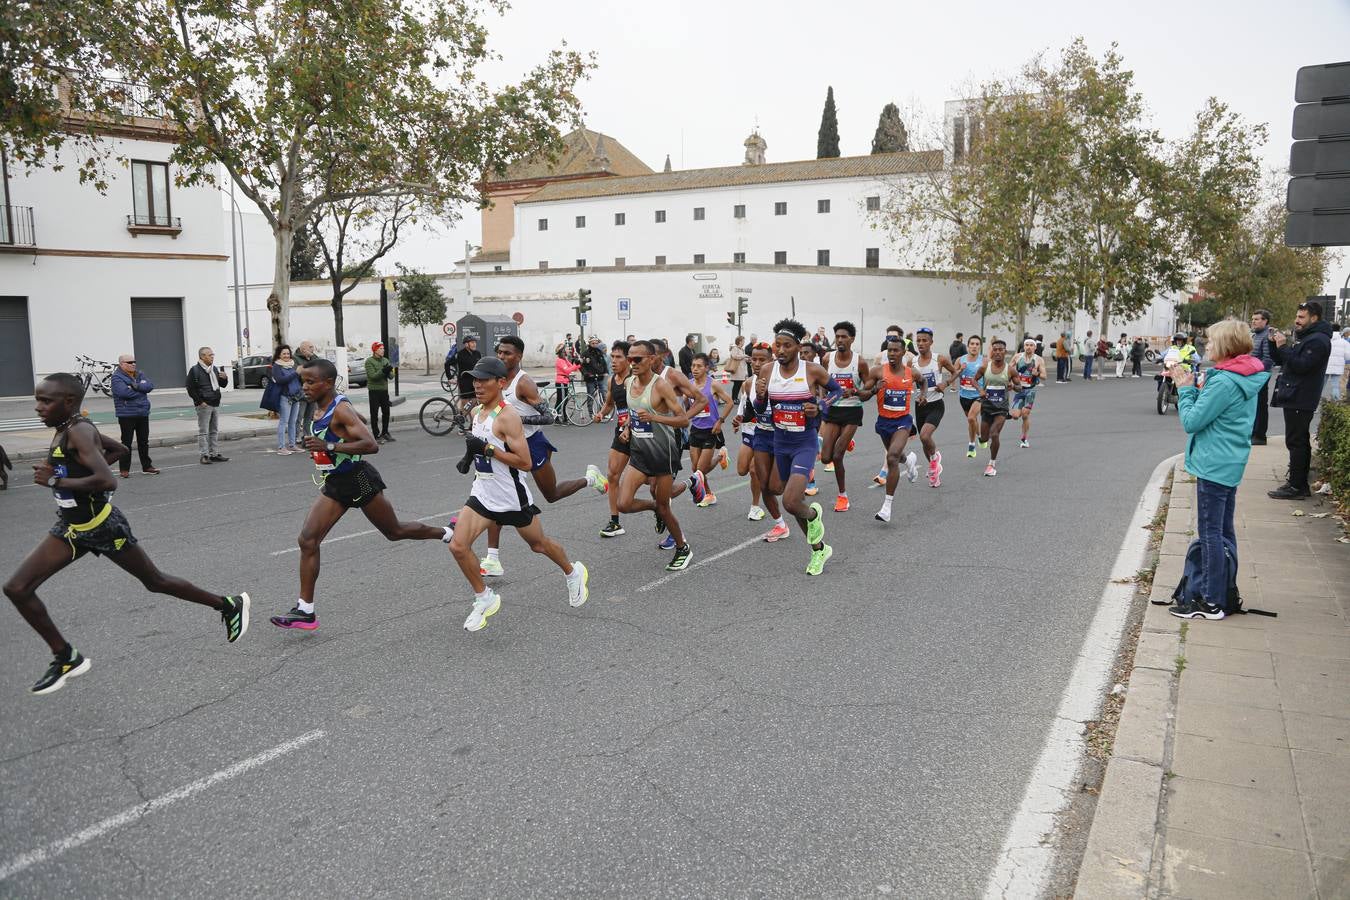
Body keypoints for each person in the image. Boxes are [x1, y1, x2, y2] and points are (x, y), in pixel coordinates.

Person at [5, 374, 248, 694]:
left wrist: (56, 482)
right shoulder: (68, 428)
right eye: (37, 400)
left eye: (45, 401)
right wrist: (75, 476)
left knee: (155, 581)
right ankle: (66, 658)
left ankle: (228, 605)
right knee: (17, 588)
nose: (38, 407)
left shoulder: (78, 431)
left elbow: (108, 481)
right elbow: (118, 448)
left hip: (103, 527)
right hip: (72, 527)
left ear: (68, 402)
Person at [270, 358, 453, 631]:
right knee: (308, 540)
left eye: (310, 382)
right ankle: (305, 610)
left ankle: (448, 533)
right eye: (302, 381)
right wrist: (331, 444)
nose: (304, 387)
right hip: (336, 484)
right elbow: (360, 421)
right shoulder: (324, 406)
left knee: (394, 531)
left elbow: (370, 444)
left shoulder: (339, 409)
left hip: (358, 480)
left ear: (328, 383)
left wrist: (328, 445)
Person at [447, 356, 589, 632]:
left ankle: (573, 573)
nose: (477, 385)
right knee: (458, 545)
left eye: (483, 380)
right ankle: (484, 597)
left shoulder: (509, 416)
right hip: (483, 492)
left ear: (500, 383)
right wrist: (469, 457)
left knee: (538, 544)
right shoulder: (477, 412)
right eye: (475, 379)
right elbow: (478, 444)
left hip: (511, 496)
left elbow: (524, 462)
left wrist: (489, 451)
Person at [480, 336, 608, 576]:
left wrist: (519, 420)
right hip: (507, 445)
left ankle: (590, 479)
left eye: (507, 353)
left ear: (518, 356)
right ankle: (492, 558)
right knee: (495, 496)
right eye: (499, 352)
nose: (502, 357)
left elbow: (550, 416)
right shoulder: (496, 380)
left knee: (551, 494)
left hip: (533, 444)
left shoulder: (523, 383)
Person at [1168, 320, 1270, 620]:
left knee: (1210, 532)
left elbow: (1192, 422)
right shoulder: (1244, 375)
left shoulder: (1225, 380)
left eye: (1210, 342)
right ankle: (1224, 591)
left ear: (1225, 346)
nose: (1206, 346)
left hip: (1214, 462)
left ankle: (1210, 601)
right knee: (1223, 531)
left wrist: (1185, 390)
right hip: (1230, 459)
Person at [757, 318, 841, 575]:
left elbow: (836, 391)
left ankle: (814, 516)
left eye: (787, 345)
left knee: (791, 502)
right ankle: (819, 550)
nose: (781, 350)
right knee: (791, 500)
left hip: (804, 442)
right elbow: (761, 410)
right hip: (779, 442)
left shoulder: (812, 371)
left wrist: (820, 407)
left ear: (797, 347)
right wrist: (760, 397)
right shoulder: (767, 371)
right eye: (777, 345)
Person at [616, 340, 695, 570]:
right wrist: (628, 428)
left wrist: (655, 417)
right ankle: (653, 507)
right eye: (630, 359)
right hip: (639, 453)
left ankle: (682, 547)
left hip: (663, 454)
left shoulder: (661, 386)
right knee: (623, 503)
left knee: (664, 507)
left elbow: (683, 419)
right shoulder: (629, 381)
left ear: (651, 359)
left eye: (637, 359)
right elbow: (634, 411)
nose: (632, 363)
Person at [1269, 300, 1334, 500]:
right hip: (1296, 395)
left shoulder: (1317, 341)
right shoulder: (1307, 337)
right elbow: (1283, 361)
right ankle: (1297, 484)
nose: (1296, 321)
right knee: (1296, 441)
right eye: (1297, 316)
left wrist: (1283, 347)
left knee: (1297, 442)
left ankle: (1297, 487)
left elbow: (1301, 365)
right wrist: (1276, 346)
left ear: (1313, 318)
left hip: (1301, 397)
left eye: (1301, 317)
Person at [856, 336, 920, 522]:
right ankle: (909, 460)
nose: (892, 353)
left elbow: (923, 381)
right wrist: (875, 389)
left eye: (896, 350)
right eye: (889, 350)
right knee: (897, 457)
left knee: (891, 457)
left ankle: (887, 506)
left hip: (903, 421)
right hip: (884, 422)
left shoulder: (911, 373)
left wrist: (922, 395)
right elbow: (863, 396)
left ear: (903, 353)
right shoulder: (877, 371)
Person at [820, 321, 869, 510]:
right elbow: (822, 383)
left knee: (838, 455)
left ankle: (843, 496)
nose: (839, 340)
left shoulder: (860, 362)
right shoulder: (827, 359)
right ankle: (847, 441)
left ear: (852, 339)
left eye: (844, 337)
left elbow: (868, 391)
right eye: (837, 336)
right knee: (825, 458)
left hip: (852, 411)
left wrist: (855, 392)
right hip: (833, 411)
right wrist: (824, 400)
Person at [732, 342, 775, 523]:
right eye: (754, 360)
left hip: (769, 432)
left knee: (753, 470)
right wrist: (738, 418)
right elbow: (745, 407)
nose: (757, 364)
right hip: (750, 429)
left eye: (762, 360)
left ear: (771, 361)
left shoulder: (777, 383)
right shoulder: (748, 384)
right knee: (742, 469)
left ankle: (755, 507)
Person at [911, 327, 959, 486]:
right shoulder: (911, 362)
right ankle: (934, 473)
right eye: (918, 340)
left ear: (931, 342)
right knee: (924, 442)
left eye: (924, 340)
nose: (921, 343)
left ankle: (935, 459)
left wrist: (945, 383)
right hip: (920, 405)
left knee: (925, 436)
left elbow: (955, 372)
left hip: (936, 404)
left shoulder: (940, 359)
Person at [595, 340, 633, 536]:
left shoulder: (636, 379)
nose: (614, 361)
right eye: (613, 357)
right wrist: (601, 413)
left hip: (642, 432)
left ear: (628, 359)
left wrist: (630, 425)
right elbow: (610, 404)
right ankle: (615, 521)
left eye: (619, 357)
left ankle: (661, 508)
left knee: (652, 482)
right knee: (612, 475)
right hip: (621, 431)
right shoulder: (612, 380)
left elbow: (644, 406)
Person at [686, 353, 733, 506]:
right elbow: (686, 404)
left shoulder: (713, 384)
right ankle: (709, 494)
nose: (695, 369)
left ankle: (720, 457)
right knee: (695, 468)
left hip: (711, 430)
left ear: (707, 368)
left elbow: (729, 402)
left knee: (701, 469)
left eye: (699, 366)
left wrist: (720, 421)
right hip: (695, 429)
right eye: (693, 366)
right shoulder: (689, 384)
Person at [974, 339, 1022, 477]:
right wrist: (980, 390)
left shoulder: (1010, 370)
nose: (997, 352)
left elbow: (1020, 388)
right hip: (987, 407)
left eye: (1000, 350)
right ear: (991, 352)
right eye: (995, 350)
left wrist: (1014, 386)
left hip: (1001, 408)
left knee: (994, 434)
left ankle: (991, 464)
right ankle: (982, 439)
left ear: (1005, 352)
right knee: (984, 438)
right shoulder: (985, 368)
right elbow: (973, 380)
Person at [110, 353, 159, 477]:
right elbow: (124, 393)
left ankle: (147, 466)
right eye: (130, 362)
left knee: (144, 442)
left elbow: (150, 386)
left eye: (134, 362)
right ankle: (124, 469)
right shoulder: (116, 377)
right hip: (126, 414)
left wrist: (136, 387)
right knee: (126, 442)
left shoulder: (139, 374)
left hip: (142, 412)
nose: (133, 364)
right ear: (122, 364)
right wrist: (141, 390)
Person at [186, 346, 230, 465]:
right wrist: (200, 402)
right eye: (210, 355)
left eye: (212, 355)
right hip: (204, 405)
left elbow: (222, 385)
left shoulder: (214, 369)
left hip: (215, 403)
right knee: (203, 431)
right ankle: (204, 455)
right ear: (202, 356)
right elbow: (190, 388)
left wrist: (225, 378)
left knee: (214, 430)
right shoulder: (195, 370)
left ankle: (214, 453)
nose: (212, 357)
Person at [1011, 338, 1047, 448]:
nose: (1029, 347)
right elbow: (1008, 370)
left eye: (1031, 345)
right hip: (1019, 389)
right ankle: (1017, 411)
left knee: (1025, 415)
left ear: (1035, 348)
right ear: (1024, 346)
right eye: (1027, 345)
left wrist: (1037, 374)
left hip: (1030, 390)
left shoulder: (1039, 360)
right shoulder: (1017, 357)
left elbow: (1044, 376)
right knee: (1016, 416)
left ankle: (1024, 438)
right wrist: (1010, 382)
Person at [954, 335, 985, 459]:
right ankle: (979, 437)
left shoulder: (984, 361)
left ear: (979, 347)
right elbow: (953, 375)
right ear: (968, 346)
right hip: (964, 395)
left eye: (977, 344)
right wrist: (959, 371)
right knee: (972, 421)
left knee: (972, 418)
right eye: (972, 344)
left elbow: (989, 376)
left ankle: (971, 445)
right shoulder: (960, 360)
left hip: (979, 395)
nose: (974, 346)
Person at [271, 344, 304, 453]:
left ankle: (292, 444)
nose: (286, 355)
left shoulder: (292, 364)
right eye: (284, 353)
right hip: (285, 397)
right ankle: (281, 447)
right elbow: (281, 380)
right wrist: (296, 373)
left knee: (293, 422)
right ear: (279, 355)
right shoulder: (276, 366)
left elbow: (297, 379)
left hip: (296, 397)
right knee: (283, 421)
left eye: (288, 353)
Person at [1249, 310, 1275, 444]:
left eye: (1257, 319)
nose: (1253, 321)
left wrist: (1254, 371)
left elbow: (1267, 359)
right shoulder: (1255, 335)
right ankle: (1254, 433)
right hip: (1253, 374)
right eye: (1253, 319)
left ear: (1265, 321)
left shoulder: (1266, 336)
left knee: (1260, 405)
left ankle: (1259, 435)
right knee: (1254, 405)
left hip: (1260, 375)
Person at [294, 341, 320, 432]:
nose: (313, 349)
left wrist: (312, 357)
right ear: (303, 349)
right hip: (301, 392)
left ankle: (307, 435)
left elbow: (320, 365)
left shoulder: (312, 357)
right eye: (311, 347)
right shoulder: (295, 358)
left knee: (310, 416)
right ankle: (295, 436)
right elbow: (299, 372)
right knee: (299, 416)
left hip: (313, 391)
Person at [454, 336, 481, 413]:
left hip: (474, 381)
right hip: (464, 381)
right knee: (465, 401)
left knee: (474, 400)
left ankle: (462, 414)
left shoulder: (477, 354)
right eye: (472, 342)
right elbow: (447, 364)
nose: (474, 344)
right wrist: (450, 377)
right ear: (466, 344)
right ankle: (465, 417)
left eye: (475, 342)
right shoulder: (460, 354)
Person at [582, 336, 608, 405]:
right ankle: (591, 413)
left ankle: (604, 411)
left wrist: (605, 371)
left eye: (596, 343)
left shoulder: (599, 352)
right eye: (593, 343)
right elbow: (581, 366)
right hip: (590, 378)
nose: (594, 345)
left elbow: (604, 363)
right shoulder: (585, 353)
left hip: (600, 377)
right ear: (589, 343)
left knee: (603, 394)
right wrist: (586, 373)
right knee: (590, 396)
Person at [1324, 325, 1346, 402]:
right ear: (1339, 330)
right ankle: (1335, 401)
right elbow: (1348, 355)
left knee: (1321, 385)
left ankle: (1316, 403)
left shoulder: (1325, 339)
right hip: (1338, 366)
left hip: (1325, 365)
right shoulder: (1344, 342)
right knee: (1335, 385)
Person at [727, 335, 748, 402]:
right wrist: (744, 356)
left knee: (739, 384)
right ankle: (733, 398)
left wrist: (747, 359)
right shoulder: (735, 348)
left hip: (741, 369)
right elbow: (734, 356)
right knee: (736, 384)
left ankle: (735, 398)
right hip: (737, 369)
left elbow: (741, 358)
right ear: (739, 341)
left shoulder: (741, 349)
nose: (744, 342)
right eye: (743, 341)